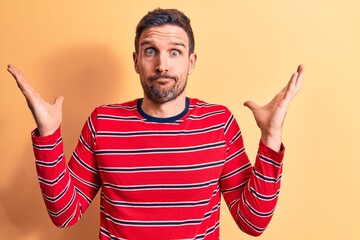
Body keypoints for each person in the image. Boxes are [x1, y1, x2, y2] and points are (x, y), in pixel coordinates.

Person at [7, 8, 304, 240]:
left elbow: (252, 221)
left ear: (191, 62)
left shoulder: (219, 124)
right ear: (136, 61)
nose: (162, 64)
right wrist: (48, 135)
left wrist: (270, 136)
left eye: (175, 52)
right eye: (150, 51)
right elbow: (65, 214)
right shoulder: (103, 123)